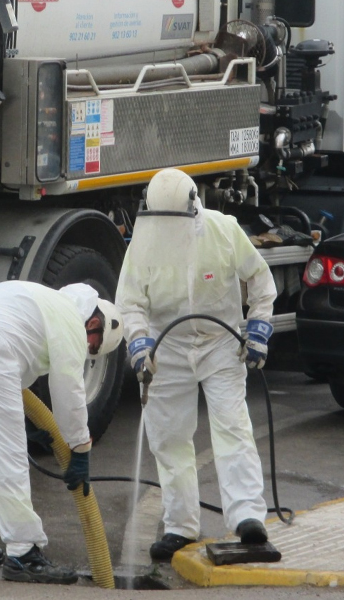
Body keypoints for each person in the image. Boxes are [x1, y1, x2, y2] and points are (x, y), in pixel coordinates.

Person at [115, 168, 277, 561]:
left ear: (194, 208)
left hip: (219, 343)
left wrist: (258, 329)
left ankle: (247, 520)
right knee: (168, 436)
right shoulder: (146, 239)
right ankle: (180, 525)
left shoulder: (223, 230)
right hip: (166, 347)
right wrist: (138, 342)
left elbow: (260, 280)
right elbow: (131, 301)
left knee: (232, 426)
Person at [0, 280, 124, 584]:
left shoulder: (40, 302)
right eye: (92, 345)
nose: (88, 350)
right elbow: (69, 390)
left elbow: (20, 362)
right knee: (8, 460)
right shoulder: (70, 319)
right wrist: (80, 448)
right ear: (93, 323)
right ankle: (23, 553)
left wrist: (33, 429)